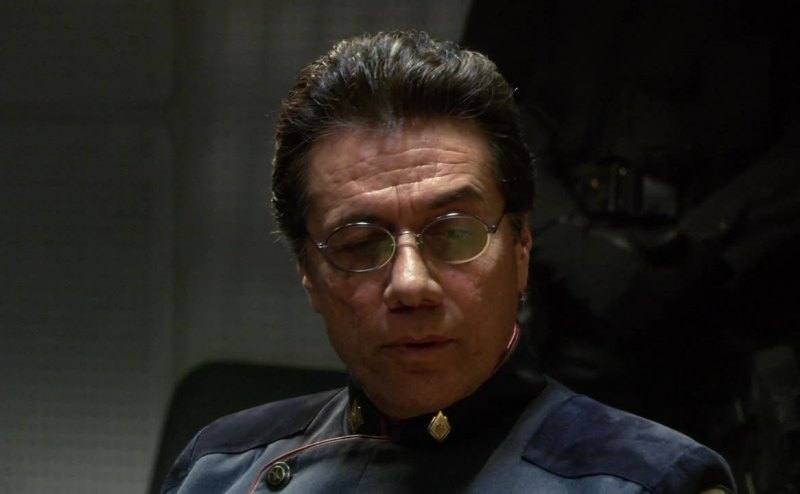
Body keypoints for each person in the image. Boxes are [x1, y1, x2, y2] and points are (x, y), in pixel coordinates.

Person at [160, 30, 736, 493]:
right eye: (360, 245)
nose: (411, 284)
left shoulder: (649, 480)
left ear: (521, 249)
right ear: (309, 276)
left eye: (455, 234)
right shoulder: (220, 469)